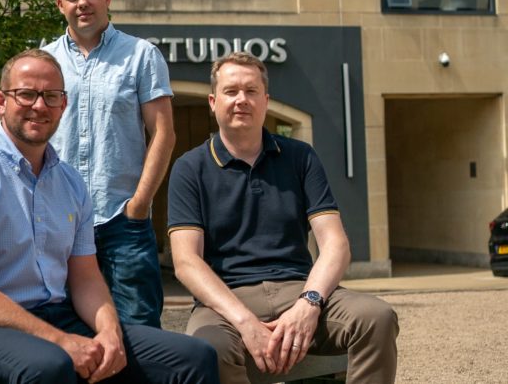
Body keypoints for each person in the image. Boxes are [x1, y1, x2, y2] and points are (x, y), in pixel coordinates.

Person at [0, 49, 219, 384]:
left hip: (59, 318)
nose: (40, 105)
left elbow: (86, 279)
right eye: (26, 94)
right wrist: (62, 342)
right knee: (50, 367)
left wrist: (110, 333)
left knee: (193, 357)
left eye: (51, 96)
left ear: (63, 105)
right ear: (0, 101)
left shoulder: (70, 183)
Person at [168, 52, 399, 384]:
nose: (241, 100)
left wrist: (310, 303)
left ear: (266, 100)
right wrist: (245, 322)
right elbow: (186, 261)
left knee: (377, 317)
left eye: (251, 91)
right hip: (226, 300)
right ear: (213, 101)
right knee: (207, 349)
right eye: (231, 91)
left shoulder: (301, 157)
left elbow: (335, 244)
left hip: (299, 288)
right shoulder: (190, 168)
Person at [43, 0, 176, 328]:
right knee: (68, 332)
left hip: (123, 221)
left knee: (139, 331)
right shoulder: (45, 62)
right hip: (60, 223)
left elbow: (163, 133)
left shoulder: (141, 55)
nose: (82, 3)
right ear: (60, 5)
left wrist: (139, 205)